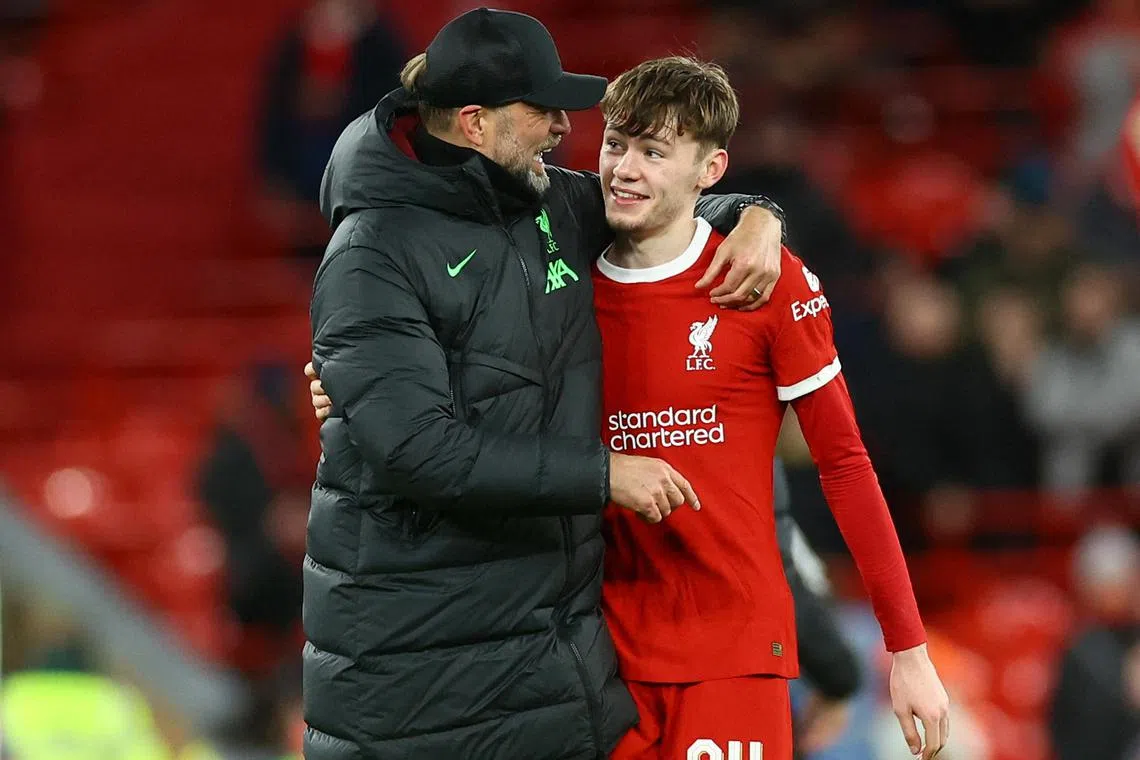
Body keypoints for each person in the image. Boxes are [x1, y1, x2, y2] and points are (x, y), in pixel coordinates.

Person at [304, 8, 787, 760]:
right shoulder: (373, 253)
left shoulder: (545, 202)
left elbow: (666, 206)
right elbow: (418, 450)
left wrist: (759, 218)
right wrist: (602, 475)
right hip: (417, 682)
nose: (565, 125)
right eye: (542, 109)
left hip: (545, 669)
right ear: (474, 123)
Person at [590, 57, 949, 760]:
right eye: (615, 145)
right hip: (599, 660)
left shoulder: (766, 281)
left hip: (733, 651)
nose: (625, 168)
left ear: (711, 168)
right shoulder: (563, 278)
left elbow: (845, 465)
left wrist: (907, 648)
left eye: (654, 152)